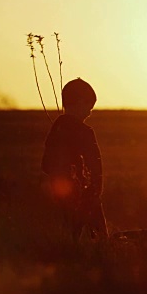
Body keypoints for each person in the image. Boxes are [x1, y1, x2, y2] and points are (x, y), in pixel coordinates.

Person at [41, 78, 108, 240]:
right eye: (89, 106)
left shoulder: (56, 129)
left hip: (60, 193)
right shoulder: (84, 132)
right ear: (79, 103)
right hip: (85, 194)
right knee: (98, 238)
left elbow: (46, 164)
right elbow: (94, 164)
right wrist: (93, 190)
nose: (90, 112)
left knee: (69, 233)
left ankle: (70, 256)